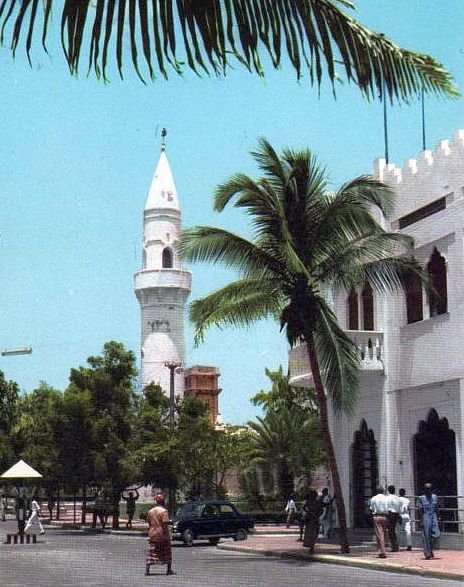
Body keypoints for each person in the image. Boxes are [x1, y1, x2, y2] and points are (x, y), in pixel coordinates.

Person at [146, 493, 175, 576]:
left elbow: (149, 522)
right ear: (163, 502)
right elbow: (165, 524)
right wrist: (168, 535)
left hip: (152, 534)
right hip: (162, 533)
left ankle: (147, 569)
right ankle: (168, 570)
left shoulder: (150, 511)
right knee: (167, 551)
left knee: (151, 552)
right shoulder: (164, 511)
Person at [417, 482, 440, 560]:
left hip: (434, 516)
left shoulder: (435, 497)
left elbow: (437, 508)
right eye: (426, 489)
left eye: (429, 488)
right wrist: (421, 521)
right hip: (426, 516)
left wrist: (439, 517)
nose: (428, 490)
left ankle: (430, 549)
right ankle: (428, 553)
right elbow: (420, 510)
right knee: (426, 535)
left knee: (437, 534)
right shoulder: (421, 498)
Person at [369, 487, 389, 558]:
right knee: (383, 533)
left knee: (379, 534)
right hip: (385, 516)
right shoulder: (387, 498)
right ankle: (381, 550)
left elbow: (371, 508)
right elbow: (389, 507)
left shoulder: (374, 498)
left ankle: (382, 551)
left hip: (377, 516)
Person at [386, 485, 401, 552]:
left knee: (391, 531)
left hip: (390, 514)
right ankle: (395, 545)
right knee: (394, 530)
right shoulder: (397, 498)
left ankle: (394, 545)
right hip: (396, 514)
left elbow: (387, 506)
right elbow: (399, 506)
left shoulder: (388, 498)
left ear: (388, 490)